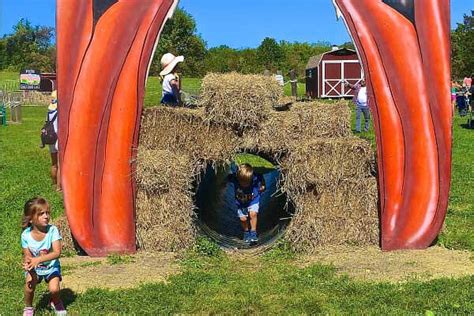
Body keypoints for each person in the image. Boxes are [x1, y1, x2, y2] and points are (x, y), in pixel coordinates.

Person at [21, 197, 66, 316]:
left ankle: (55, 302)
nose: (46, 216)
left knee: (54, 289)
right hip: (35, 268)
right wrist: (28, 263)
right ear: (30, 219)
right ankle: (29, 307)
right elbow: (27, 256)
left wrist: (38, 259)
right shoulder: (25, 235)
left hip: (51, 266)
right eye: (41, 214)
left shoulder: (53, 230)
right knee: (29, 287)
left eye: (47, 213)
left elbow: (57, 253)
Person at [228, 163, 266, 243]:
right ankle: (246, 232)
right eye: (242, 182)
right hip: (241, 203)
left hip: (253, 200)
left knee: (253, 214)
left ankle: (253, 233)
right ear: (238, 179)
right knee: (243, 219)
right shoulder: (235, 178)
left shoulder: (255, 178)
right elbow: (226, 178)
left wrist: (263, 186)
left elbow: (261, 178)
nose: (245, 184)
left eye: (247, 182)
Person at [47, 91, 60, 191]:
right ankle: (59, 187)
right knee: (60, 164)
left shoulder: (49, 110)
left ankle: (54, 183)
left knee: (54, 163)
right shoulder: (59, 111)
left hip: (50, 137)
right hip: (58, 137)